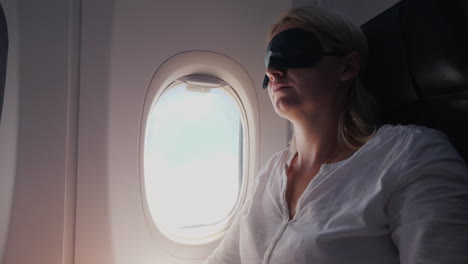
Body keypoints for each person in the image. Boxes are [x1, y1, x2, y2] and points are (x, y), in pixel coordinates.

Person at [204, 6, 468, 264]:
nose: (273, 71)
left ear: (347, 67)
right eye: (269, 59)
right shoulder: (269, 175)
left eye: (292, 51)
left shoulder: (409, 155)